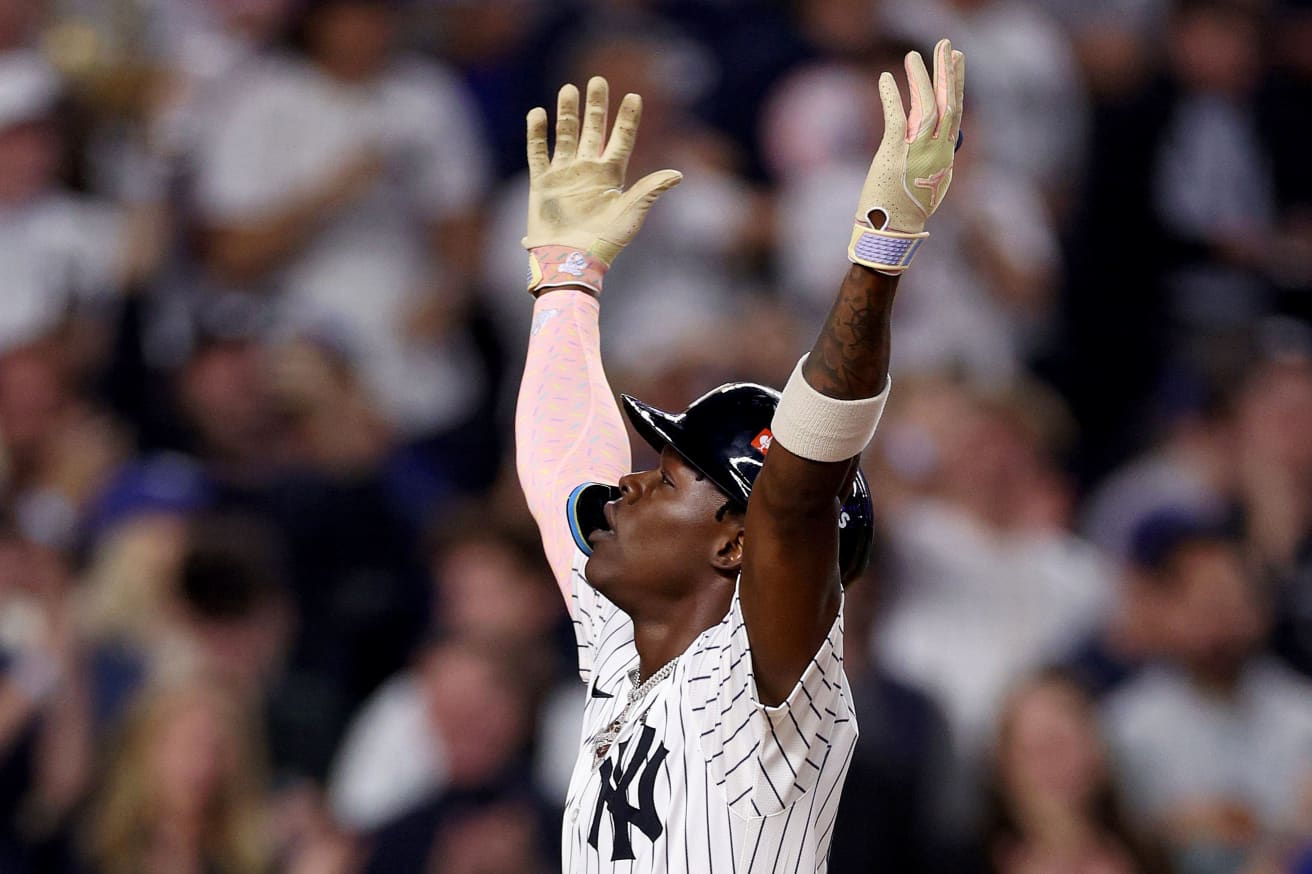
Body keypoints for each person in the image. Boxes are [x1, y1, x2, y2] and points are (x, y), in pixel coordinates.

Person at [513, 38, 964, 871]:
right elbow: (559, 474)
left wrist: (879, 253)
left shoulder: (763, 685)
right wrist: (567, 282)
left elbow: (797, 498)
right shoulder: (625, 642)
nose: (631, 481)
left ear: (734, 543)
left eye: (669, 476)